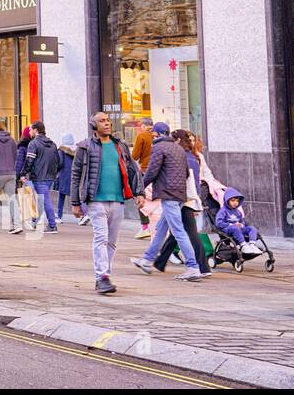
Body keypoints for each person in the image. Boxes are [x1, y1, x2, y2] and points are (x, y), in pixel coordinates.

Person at [70, 111, 144, 295]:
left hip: (118, 200)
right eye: (102, 121)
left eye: (108, 120)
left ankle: (105, 276)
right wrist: (75, 202)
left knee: (112, 242)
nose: (107, 123)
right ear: (94, 126)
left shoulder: (120, 146)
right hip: (96, 201)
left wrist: (139, 192)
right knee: (101, 238)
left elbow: (133, 170)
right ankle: (102, 276)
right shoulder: (85, 147)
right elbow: (76, 175)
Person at [131, 122, 205, 282]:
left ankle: (193, 267)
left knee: (178, 231)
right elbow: (186, 173)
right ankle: (147, 260)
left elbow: (152, 170)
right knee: (161, 228)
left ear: (156, 134)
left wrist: (139, 188)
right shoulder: (179, 149)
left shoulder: (159, 147)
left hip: (168, 194)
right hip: (179, 194)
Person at [21, 121, 61, 234]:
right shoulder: (52, 144)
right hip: (50, 176)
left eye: (30, 129)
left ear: (35, 130)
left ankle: (52, 225)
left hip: (39, 177)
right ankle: (35, 221)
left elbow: (29, 160)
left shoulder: (33, 144)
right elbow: (58, 161)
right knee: (42, 199)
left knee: (45, 200)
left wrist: (23, 174)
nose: (29, 132)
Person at [215, 186, 261, 254]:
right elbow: (219, 223)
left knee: (252, 228)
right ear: (227, 200)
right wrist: (231, 224)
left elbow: (241, 220)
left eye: (237, 201)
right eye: (233, 200)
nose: (235, 203)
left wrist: (242, 224)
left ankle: (252, 244)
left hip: (238, 229)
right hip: (228, 229)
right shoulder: (223, 211)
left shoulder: (238, 212)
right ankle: (243, 245)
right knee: (235, 228)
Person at [56, 133, 83, 225]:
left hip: (64, 176)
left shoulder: (61, 151)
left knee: (61, 197)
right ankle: (82, 216)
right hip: (75, 176)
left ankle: (59, 217)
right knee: (77, 197)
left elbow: (59, 163)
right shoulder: (77, 151)